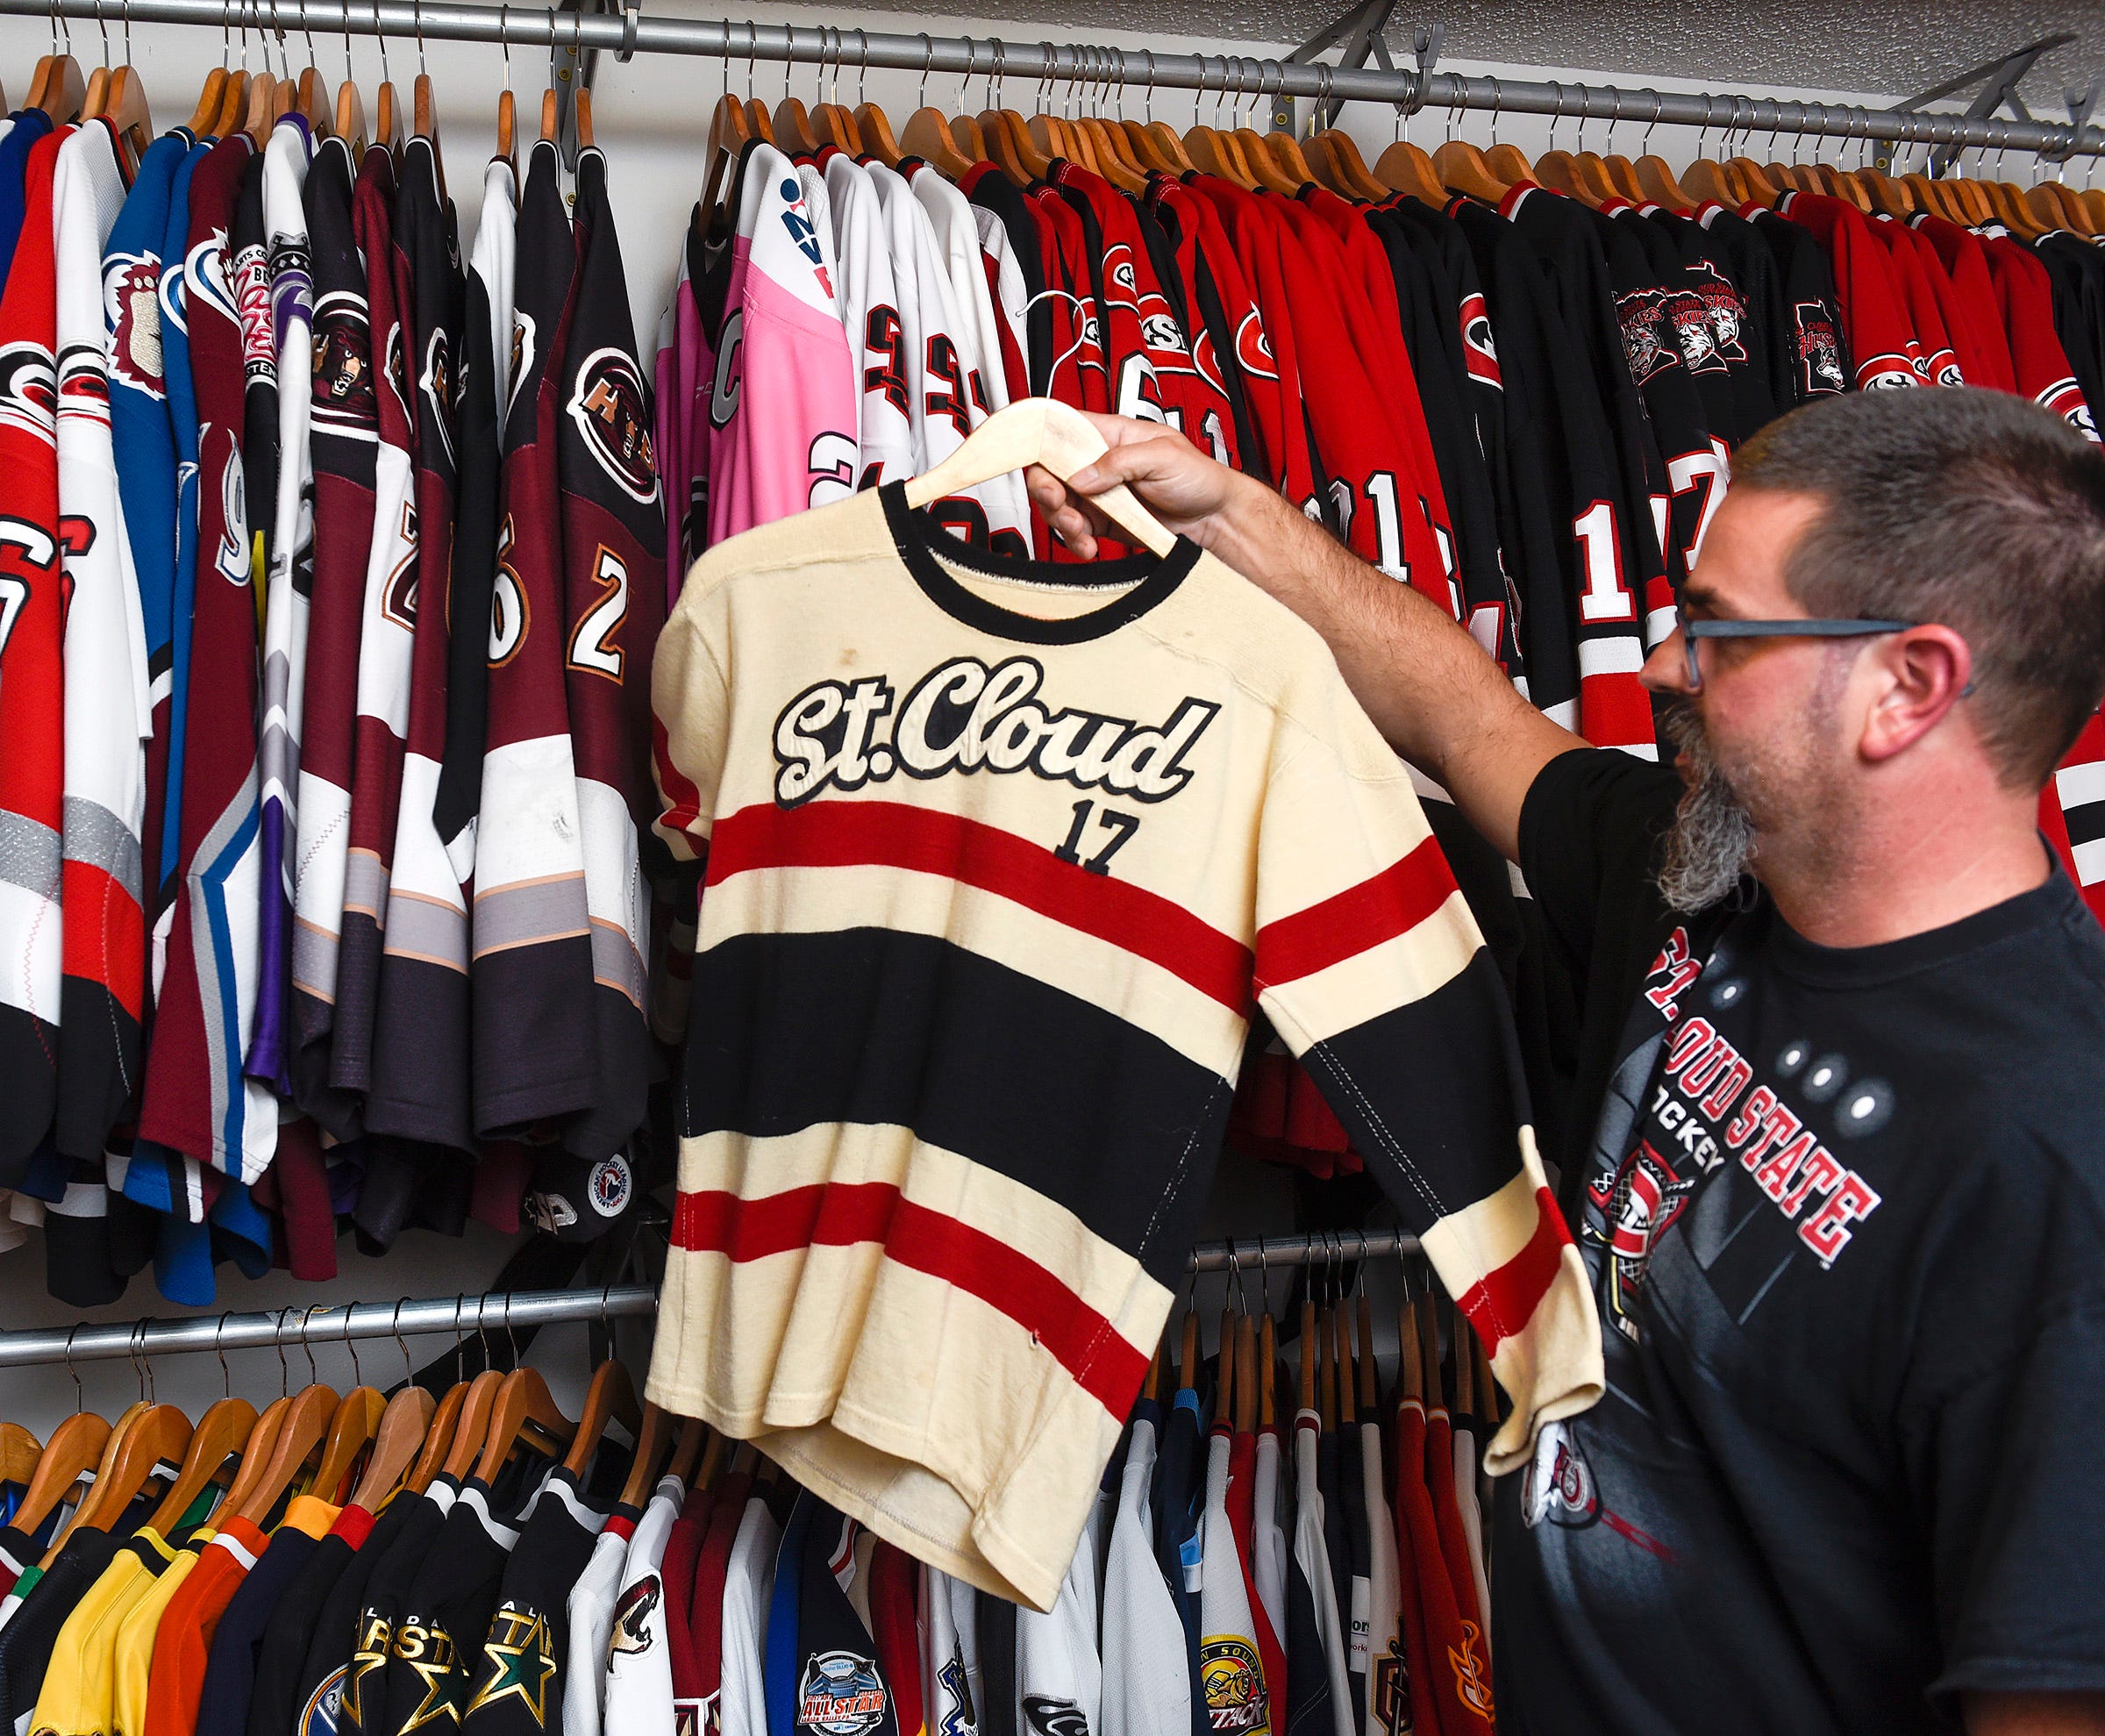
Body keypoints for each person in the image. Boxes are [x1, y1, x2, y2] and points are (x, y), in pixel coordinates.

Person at [1027, 388, 2105, 1736]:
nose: (1662, 664)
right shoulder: (1693, 871)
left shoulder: (2056, 1161)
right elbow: (1454, 711)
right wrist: (1224, 514)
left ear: (1908, 686)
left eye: (1718, 627)